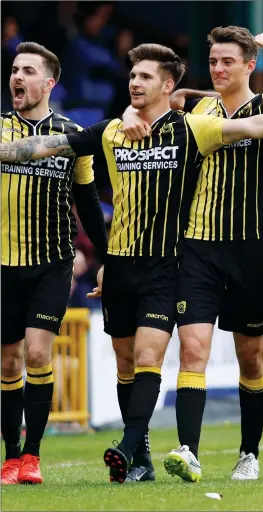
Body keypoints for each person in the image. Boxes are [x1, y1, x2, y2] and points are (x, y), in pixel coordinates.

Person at [0, 42, 263, 485]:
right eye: (132, 77)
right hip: (123, 266)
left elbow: (254, 124)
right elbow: (52, 146)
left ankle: (143, 446)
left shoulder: (192, 127)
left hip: (169, 266)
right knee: (127, 362)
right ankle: (139, 455)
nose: (134, 83)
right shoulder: (111, 131)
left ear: (168, 85)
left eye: (145, 77)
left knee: (156, 356)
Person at [124, 27, 263, 481]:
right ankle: (188, 449)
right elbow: (146, 105)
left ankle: (249, 453)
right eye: (213, 62)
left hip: (249, 249)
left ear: (250, 66)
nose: (219, 68)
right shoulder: (198, 109)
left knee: (252, 358)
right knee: (193, 348)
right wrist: (133, 109)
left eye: (228, 61)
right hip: (197, 247)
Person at [0, 42, 108, 486]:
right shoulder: (2, 129)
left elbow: (87, 200)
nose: (16, 78)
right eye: (13, 70)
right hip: (5, 263)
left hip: (51, 262)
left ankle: (32, 456)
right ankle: (9, 457)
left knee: (39, 352)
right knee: (8, 364)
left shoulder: (72, 136)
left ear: (49, 83)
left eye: (27, 70)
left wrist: (106, 259)